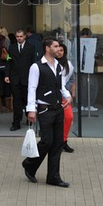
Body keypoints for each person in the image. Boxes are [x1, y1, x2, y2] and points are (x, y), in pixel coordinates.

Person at [22, 37, 72, 187]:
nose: (59, 49)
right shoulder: (36, 67)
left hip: (58, 109)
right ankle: (29, 164)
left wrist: (67, 96)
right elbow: (31, 88)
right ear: (47, 48)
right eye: (55, 46)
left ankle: (53, 177)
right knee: (47, 141)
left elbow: (61, 86)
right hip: (44, 110)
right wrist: (31, 110)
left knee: (57, 144)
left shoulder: (58, 65)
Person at [5, 28, 36, 131]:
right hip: (15, 78)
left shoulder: (31, 47)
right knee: (16, 102)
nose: (19, 38)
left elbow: (34, 63)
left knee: (28, 100)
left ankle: (29, 118)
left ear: (25, 36)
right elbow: (8, 61)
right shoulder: (12, 48)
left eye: (21, 36)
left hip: (27, 78)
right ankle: (16, 123)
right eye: (17, 37)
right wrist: (7, 75)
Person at [57, 43, 75, 153]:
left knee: (69, 117)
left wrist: (67, 90)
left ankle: (63, 141)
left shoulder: (69, 65)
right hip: (52, 96)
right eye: (57, 50)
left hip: (64, 96)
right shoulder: (49, 63)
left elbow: (72, 79)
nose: (59, 52)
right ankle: (56, 142)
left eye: (61, 50)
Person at [80, 27, 98, 111]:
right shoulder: (78, 43)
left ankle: (89, 104)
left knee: (92, 86)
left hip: (90, 66)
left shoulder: (93, 44)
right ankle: (83, 104)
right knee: (83, 86)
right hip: (81, 66)